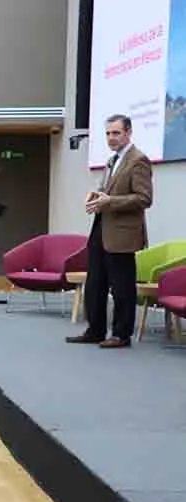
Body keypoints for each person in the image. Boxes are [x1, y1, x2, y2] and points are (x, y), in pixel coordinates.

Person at [66, 114, 153, 348]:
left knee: (122, 287)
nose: (111, 138)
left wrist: (109, 202)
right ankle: (95, 330)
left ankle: (121, 335)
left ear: (128, 133)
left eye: (116, 133)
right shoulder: (112, 160)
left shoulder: (138, 160)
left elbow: (144, 198)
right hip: (101, 229)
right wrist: (96, 195)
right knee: (95, 284)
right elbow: (108, 190)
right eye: (107, 133)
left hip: (122, 234)